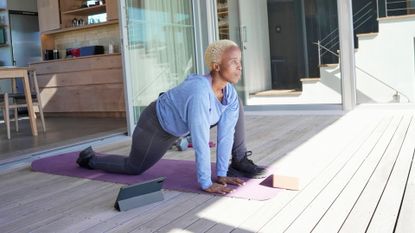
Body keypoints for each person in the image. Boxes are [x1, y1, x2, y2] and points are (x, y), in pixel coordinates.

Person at [76, 39, 266, 194]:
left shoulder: (230, 94)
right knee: (134, 167)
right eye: (233, 61)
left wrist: (222, 174)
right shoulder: (199, 92)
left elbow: (226, 135)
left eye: (239, 61)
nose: (239, 67)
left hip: (177, 128)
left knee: (227, 118)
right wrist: (206, 183)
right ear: (216, 66)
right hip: (154, 126)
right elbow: (201, 141)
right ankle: (90, 159)